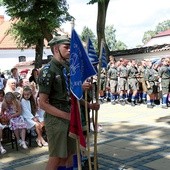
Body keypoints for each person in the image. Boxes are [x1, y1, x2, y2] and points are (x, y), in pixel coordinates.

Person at [38, 35, 77, 170]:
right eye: (66, 47)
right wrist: (65, 115)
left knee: (69, 155)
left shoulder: (65, 67)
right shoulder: (48, 71)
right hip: (56, 120)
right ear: (56, 49)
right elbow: (42, 103)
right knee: (56, 157)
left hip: (68, 114)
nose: (70, 50)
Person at [0, 89, 7, 154]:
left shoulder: (5, 103)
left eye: (2, 96)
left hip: (5, 120)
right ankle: (1, 147)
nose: (0, 97)